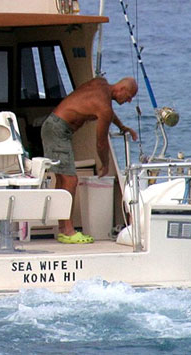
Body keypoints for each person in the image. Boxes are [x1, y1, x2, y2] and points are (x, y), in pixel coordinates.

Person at [41, 76, 139, 244]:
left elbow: (106, 111)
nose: (129, 101)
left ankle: (63, 228)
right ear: (121, 89)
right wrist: (105, 164)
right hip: (58, 130)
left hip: (53, 125)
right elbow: (101, 142)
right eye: (129, 96)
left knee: (62, 180)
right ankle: (68, 231)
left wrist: (121, 126)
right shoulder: (104, 108)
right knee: (70, 180)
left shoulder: (101, 84)